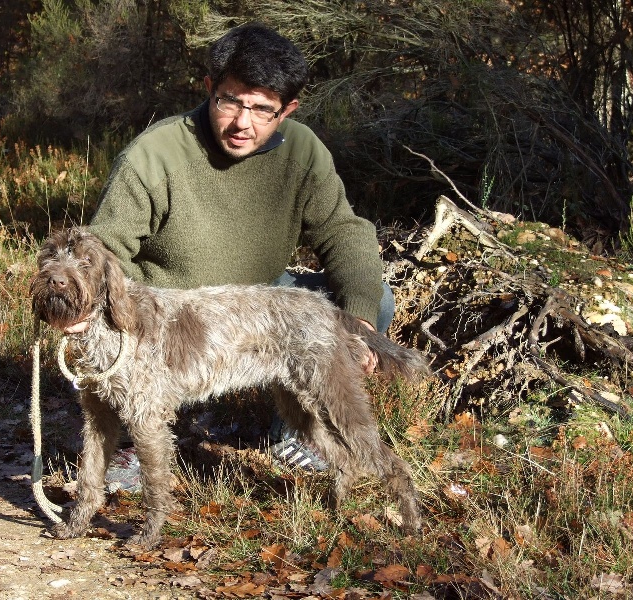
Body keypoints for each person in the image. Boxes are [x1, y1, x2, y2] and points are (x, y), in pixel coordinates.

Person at [72, 23, 395, 489]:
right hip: (171, 312)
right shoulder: (154, 153)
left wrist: (361, 320)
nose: (244, 122)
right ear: (209, 90)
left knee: (374, 300)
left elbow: (344, 234)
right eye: (231, 101)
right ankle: (134, 443)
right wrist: (84, 305)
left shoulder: (304, 152)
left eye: (263, 109)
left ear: (287, 110)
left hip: (256, 300)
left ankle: (296, 437)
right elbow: (105, 249)